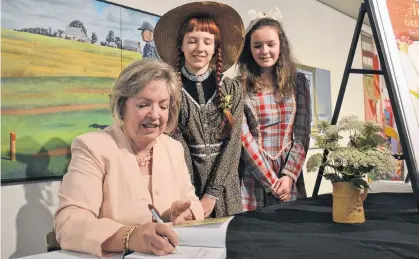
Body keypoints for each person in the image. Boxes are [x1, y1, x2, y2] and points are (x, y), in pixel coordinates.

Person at [53, 59, 204, 257]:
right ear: (122, 106)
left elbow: (192, 201)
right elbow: (68, 223)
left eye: (163, 106)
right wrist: (131, 236)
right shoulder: (93, 147)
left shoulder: (173, 148)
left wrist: (182, 213)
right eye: (144, 104)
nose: (155, 115)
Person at [153, 1, 245, 218]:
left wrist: (212, 195)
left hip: (225, 188)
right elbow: (176, 142)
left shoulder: (232, 87)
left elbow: (233, 145)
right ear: (181, 46)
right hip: (185, 183)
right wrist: (194, 199)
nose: (200, 48)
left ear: (215, 48)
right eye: (192, 41)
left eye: (207, 41)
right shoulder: (170, 89)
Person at [237, 8, 311, 211]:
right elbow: (244, 138)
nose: (264, 51)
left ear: (281, 46)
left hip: (290, 176)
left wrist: (288, 177)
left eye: (271, 44)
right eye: (257, 45)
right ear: (249, 49)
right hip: (253, 175)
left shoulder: (298, 82)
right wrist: (271, 181)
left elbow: (302, 133)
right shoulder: (239, 86)